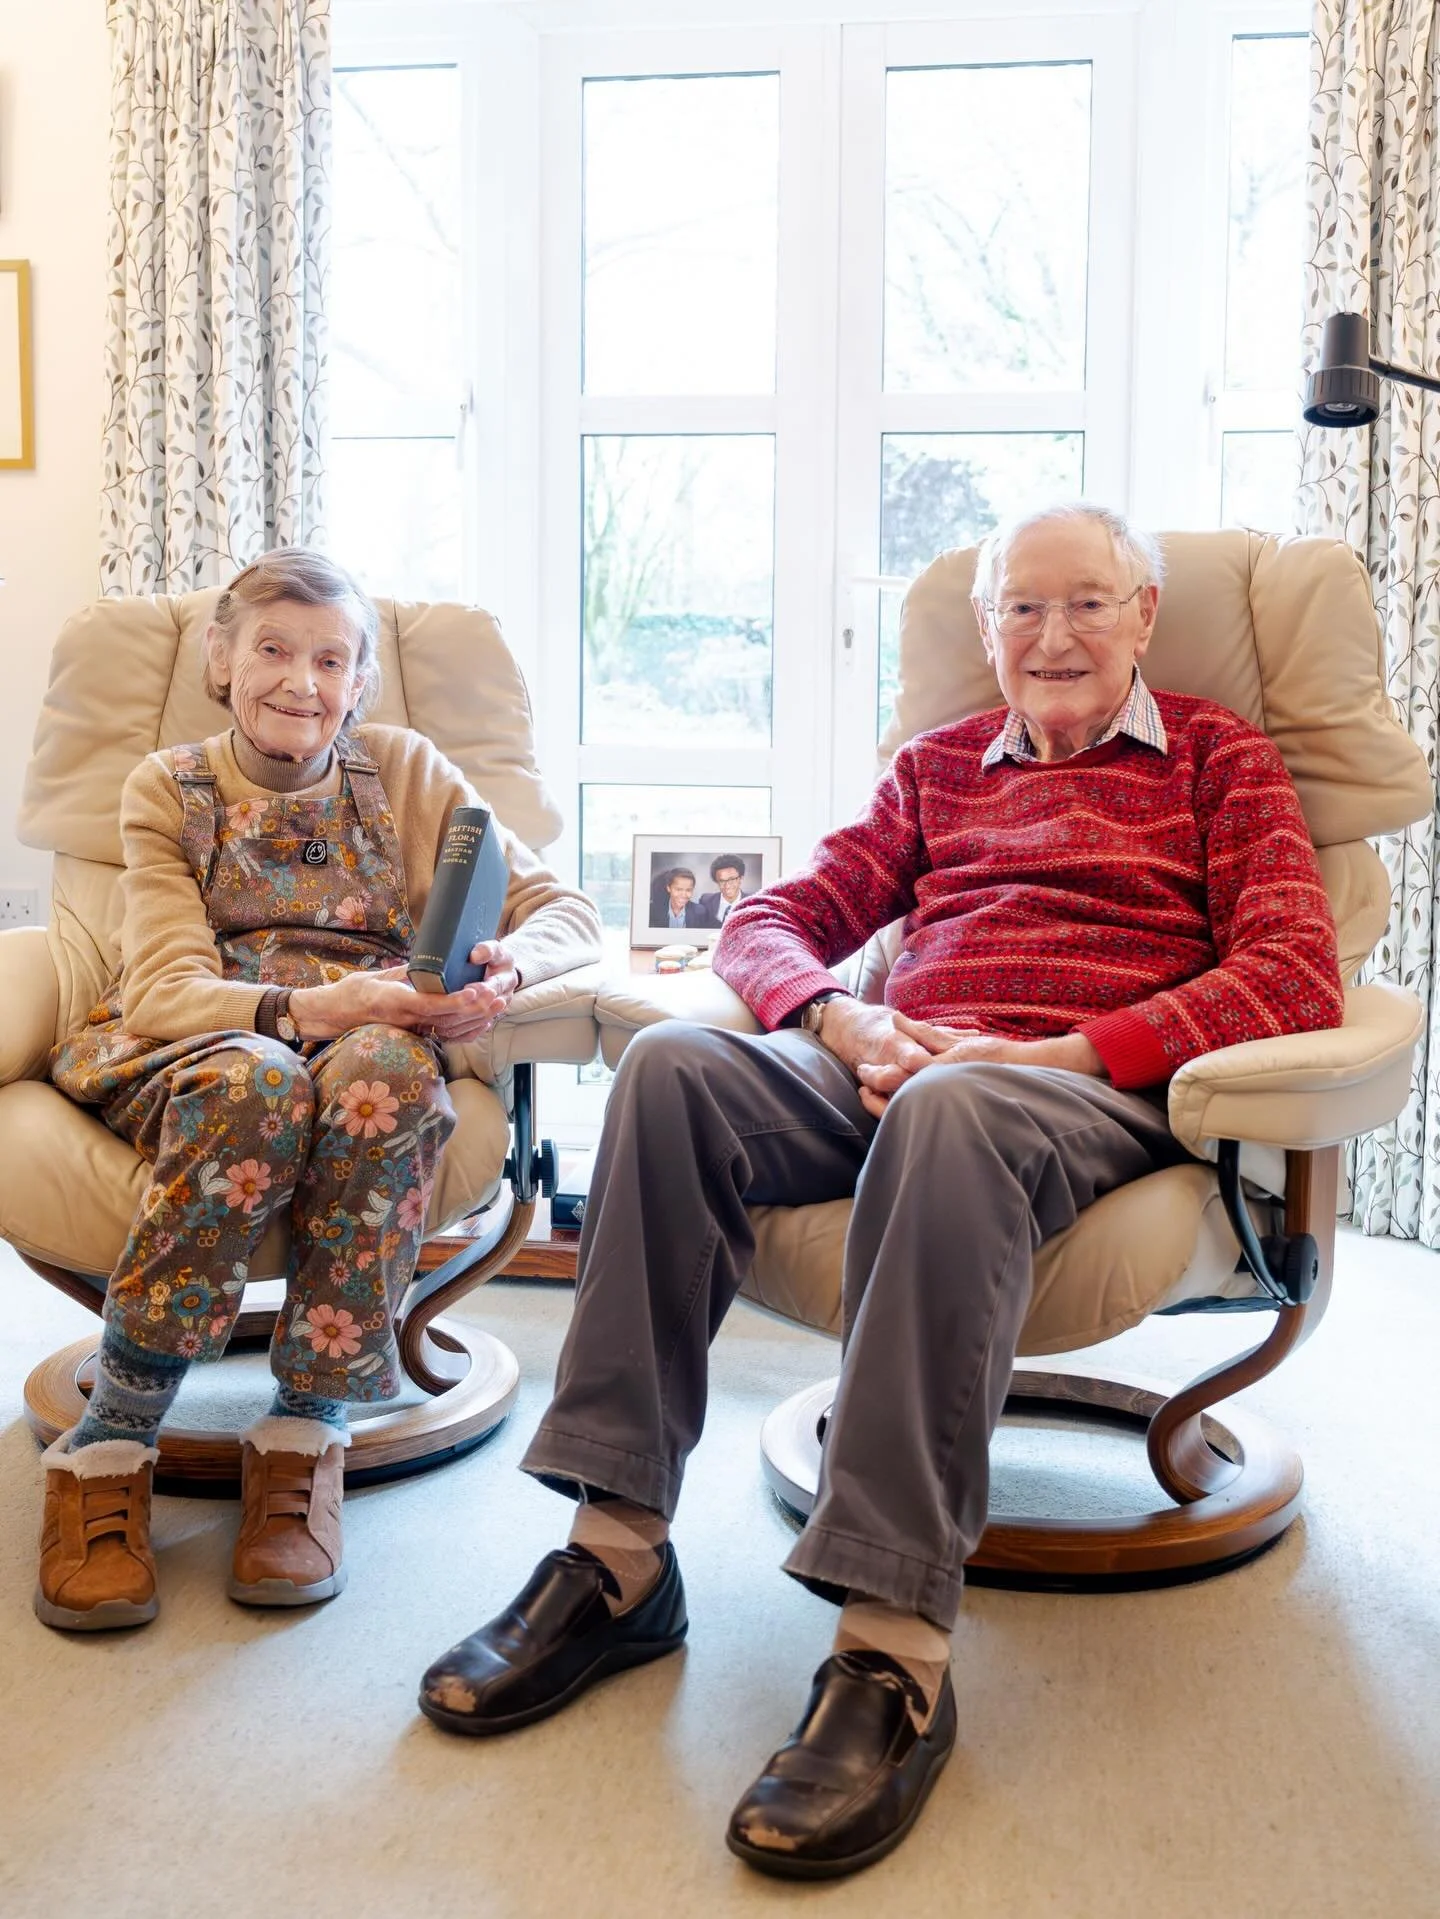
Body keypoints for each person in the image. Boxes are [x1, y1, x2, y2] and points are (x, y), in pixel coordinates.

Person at [416, 504, 1345, 1879]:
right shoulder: (937, 769)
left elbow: (1289, 972)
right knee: (675, 1067)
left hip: (1081, 1091)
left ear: (1145, 613)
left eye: (1086, 602)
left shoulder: (1221, 757)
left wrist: (1059, 1050)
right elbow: (768, 921)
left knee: (959, 1106)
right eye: (1021, 609)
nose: (1052, 635)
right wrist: (840, 1023)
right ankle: (616, 1557)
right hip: (890, 1078)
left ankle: (893, 1647)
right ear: (986, 633)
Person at [36, 548, 601, 1633]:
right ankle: (111, 1439)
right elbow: (161, 987)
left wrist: (505, 968)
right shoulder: (168, 786)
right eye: (275, 650)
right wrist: (314, 1012)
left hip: (368, 1039)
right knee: (261, 1089)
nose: (302, 680)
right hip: (210, 1037)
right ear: (221, 659)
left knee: (389, 1075)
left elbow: (562, 907)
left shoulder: (405, 768)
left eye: (330, 658)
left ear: (361, 681)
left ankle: (306, 1434)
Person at [649, 865, 709, 931]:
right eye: (679, 889)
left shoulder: (700, 912)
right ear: (668, 888)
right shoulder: (653, 910)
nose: (684, 895)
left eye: (688, 890)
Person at [698, 854, 749, 928]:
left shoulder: (753, 903)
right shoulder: (705, 901)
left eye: (732, 879)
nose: (727, 886)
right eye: (722, 881)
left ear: (740, 878)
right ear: (716, 881)